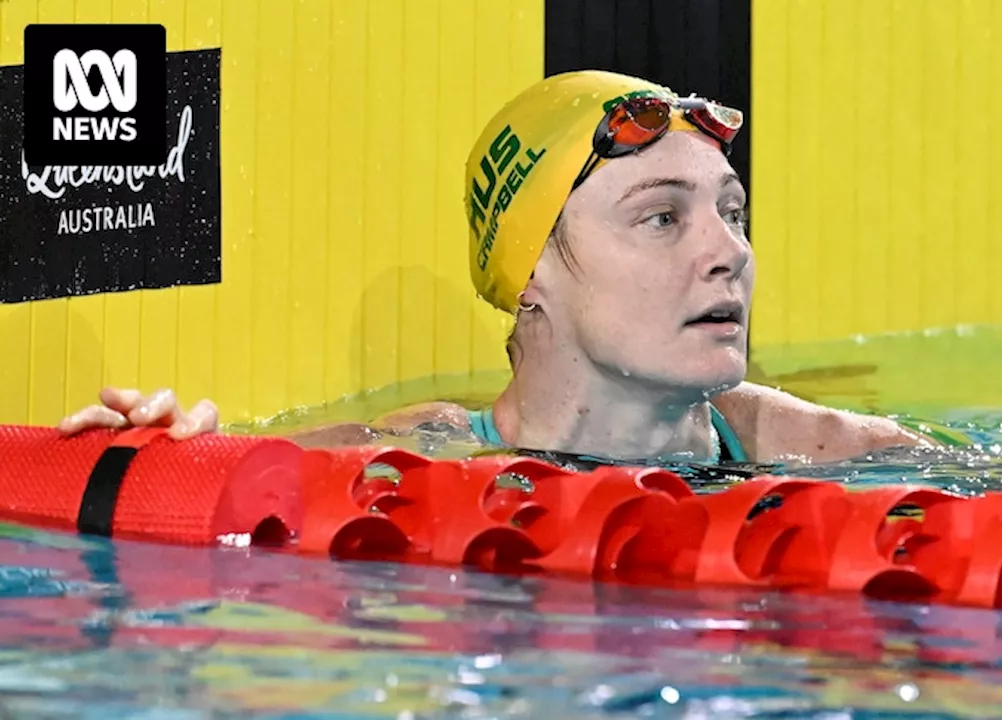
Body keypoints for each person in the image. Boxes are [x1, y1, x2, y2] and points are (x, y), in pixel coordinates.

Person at [59, 70, 933, 465]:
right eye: (662, 217)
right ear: (530, 278)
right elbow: (218, 487)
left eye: (732, 213)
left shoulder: (825, 453)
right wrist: (160, 456)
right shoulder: (408, 461)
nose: (731, 251)